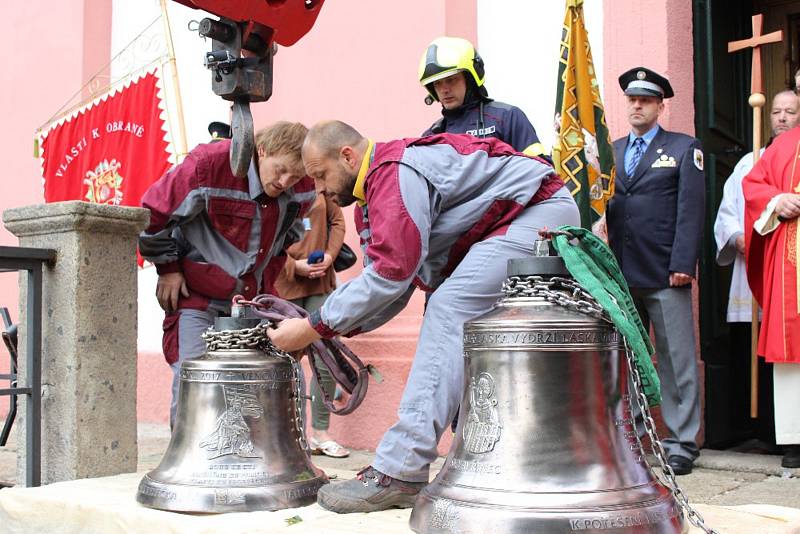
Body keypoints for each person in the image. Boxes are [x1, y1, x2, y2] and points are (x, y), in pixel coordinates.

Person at [267, 120, 579, 513]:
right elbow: (397, 285)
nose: (319, 189)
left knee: (449, 308)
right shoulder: (376, 194)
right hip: (519, 215)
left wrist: (313, 327)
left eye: (320, 174)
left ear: (347, 156)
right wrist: (331, 329)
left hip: (537, 211)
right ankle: (459, 461)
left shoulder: (394, 174)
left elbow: (390, 276)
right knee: (447, 311)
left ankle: (401, 470)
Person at [139, 121, 316, 425]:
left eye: (295, 176)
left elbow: (287, 238)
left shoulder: (303, 188)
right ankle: (186, 468)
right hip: (196, 298)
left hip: (253, 302)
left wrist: (268, 293)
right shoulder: (208, 165)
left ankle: (266, 464)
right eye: (281, 170)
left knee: (281, 378)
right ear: (262, 150)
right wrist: (168, 269)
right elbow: (151, 215)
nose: (286, 181)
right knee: (194, 381)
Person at [605, 67, 705, 475]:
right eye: (632, 99)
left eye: (645, 99)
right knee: (627, 359)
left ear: (660, 105)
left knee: (675, 360)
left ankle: (682, 441)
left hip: (665, 272)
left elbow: (691, 210)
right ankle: (633, 436)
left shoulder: (683, 148)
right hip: (621, 275)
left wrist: (683, 263)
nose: (637, 105)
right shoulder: (609, 151)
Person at [713, 90, 800, 446]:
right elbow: (742, 201)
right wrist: (774, 203)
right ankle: (789, 437)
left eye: (789, 111)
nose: (780, 117)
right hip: (781, 258)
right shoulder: (761, 157)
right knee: (784, 341)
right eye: (776, 111)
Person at [274, 191, 350, 458]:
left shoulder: (319, 179)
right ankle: (290, 434)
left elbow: (337, 221)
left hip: (320, 282)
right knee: (285, 360)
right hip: (284, 283)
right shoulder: (278, 182)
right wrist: (295, 266)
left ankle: (320, 433)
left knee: (327, 356)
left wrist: (330, 256)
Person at [742, 120, 800, 469]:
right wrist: (778, 200)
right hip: (791, 256)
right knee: (791, 348)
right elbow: (754, 186)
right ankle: (795, 439)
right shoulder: (784, 144)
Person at [419, 36, 546, 156]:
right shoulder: (431, 136)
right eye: (437, 83)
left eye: (451, 79)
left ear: (470, 79)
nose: (444, 90)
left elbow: (541, 169)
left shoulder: (507, 117)